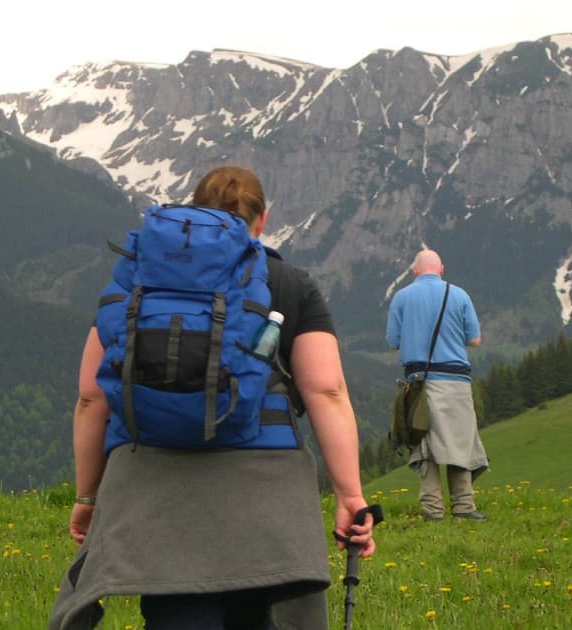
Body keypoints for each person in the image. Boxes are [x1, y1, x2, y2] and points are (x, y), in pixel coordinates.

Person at [48, 165, 376, 630]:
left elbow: (91, 399)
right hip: (266, 503)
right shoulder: (290, 283)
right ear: (262, 220)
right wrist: (350, 494)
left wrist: (89, 495)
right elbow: (326, 391)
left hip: (156, 496)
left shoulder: (141, 282)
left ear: (193, 213)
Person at [386, 249, 490, 521]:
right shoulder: (459, 295)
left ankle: (432, 510)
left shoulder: (402, 297)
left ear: (415, 271)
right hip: (455, 381)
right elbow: (475, 340)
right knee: (460, 442)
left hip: (418, 382)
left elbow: (393, 341)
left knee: (424, 443)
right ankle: (464, 507)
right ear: (441, 269)